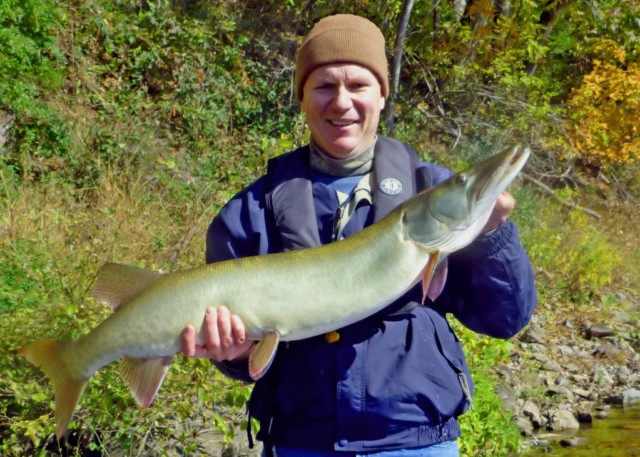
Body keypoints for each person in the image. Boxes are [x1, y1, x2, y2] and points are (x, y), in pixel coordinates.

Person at [182, 13, 537, 457]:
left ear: (383, 95)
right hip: (301, 442)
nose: (342, 102)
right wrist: (232, 354)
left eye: (359, 85)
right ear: (303, 98)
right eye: (325, 86)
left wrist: (491, 237)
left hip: (416, 441)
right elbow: (240, 358)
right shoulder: (250, 211)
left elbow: (505, 319)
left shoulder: (428, 188)